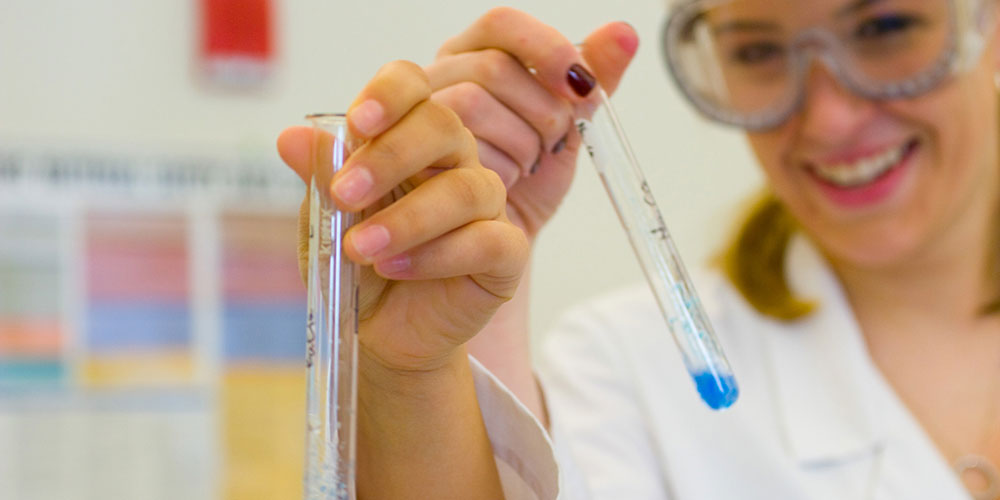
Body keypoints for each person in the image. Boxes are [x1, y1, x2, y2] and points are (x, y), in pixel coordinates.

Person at [277, 1, 1000, 498]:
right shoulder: (624, 368)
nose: (830, 116)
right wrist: (419, 365)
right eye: (756, 50)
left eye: (887, 26)